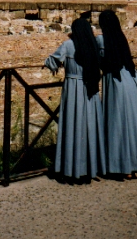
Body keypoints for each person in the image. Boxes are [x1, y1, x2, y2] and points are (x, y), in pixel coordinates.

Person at [44, 16, 106, 181]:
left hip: (73, 88)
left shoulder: (68, 45)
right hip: (91, 89)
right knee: (89, 127)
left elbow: (53, 60)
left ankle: (73, 168)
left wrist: (46, 63)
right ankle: (91, 166)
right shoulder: (93, 45)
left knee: (73, 126)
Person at [97, 10, 137, 179]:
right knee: (134, 124)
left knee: (119, 124)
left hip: (116, 83)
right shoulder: (121, 38)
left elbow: (98, 58)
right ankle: (135, 163)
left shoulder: (101, 40)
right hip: (133, 80)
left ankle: (123, 167)